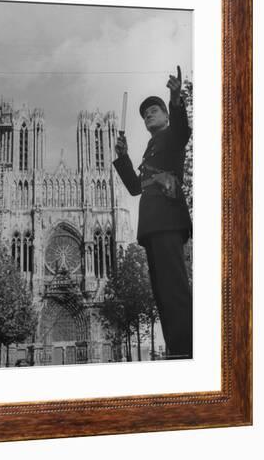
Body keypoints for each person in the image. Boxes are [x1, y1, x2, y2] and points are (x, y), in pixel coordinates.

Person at [113, 66, 193, 360]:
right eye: (145, 113)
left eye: (154, 110)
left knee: (174, 287)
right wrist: (123, 157)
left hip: (168, 220)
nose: (148, 114)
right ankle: (176, 348)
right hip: (151, 224)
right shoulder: (149, 148)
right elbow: (136, 188)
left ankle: (186, 349)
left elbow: (184, 129)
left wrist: (175, 98)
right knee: (162, 292)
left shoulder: (172, 136)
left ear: (166, 116)